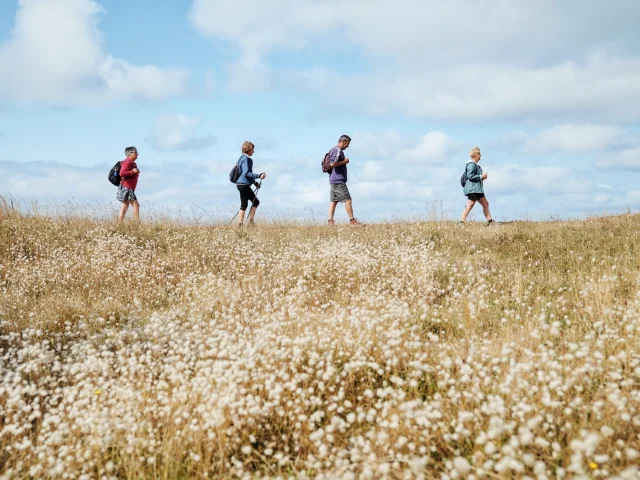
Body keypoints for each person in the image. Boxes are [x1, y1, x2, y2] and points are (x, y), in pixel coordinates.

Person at [327, 134, 363, 226]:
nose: (348, 146)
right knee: (348, 199)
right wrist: (345, 161)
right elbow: (332, 164)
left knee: (334, 201)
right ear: (343, 141)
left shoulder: (333, 149)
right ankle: (352, 221)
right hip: (338, 180)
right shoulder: (337, 150)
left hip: (333, 180)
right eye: (347, 143)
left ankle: (330, 222)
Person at [460, 146, 493, 225]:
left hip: (477, 189)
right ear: (475, 155)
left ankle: (490, 222)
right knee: (470, 205)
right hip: (473, 189)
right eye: (479, 154)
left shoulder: (475, 165)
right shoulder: (472, 165)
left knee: (486, 204)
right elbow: (470, 176)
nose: (480, 156)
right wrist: (481, 176)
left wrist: (482, 177)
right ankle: (461, 222)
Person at [235, 141, 266, 226]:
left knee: (244, 204)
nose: (253, 151)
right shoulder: (247, 159)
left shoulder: (241, 158)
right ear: (248, 149)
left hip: (240, 184)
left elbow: (243, 174)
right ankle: (250, 222)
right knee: (255, 202)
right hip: (244, 185)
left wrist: (255, 183)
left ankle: (241, 225)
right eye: (252, 149)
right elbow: (247, 173)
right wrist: (259, 175)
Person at [117, 146, 140, 225]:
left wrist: (135, 171)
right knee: (135, 205)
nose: (137, 154)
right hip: (127, 187)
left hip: (128, 187)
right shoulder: (127, 162)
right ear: (130, 154)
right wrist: (133, 172)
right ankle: (137, 224)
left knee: (125, 205)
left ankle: (119, 225)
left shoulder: (132, 163)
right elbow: (122, 173)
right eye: (136, 152)